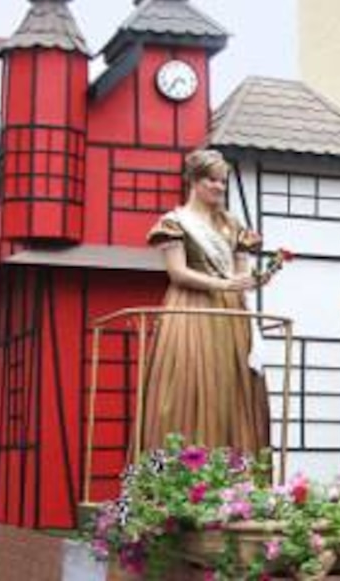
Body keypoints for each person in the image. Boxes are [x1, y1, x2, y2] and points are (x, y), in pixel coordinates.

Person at [141, 148, 270, 454]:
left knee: (233, 389)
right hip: (189, 310)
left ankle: (235, 481)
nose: (219, 187)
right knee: (186, 385)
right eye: (212, 180)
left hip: (231, 315)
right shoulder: (175, 222)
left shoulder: (233, 225)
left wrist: (254, 278)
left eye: (223, 181)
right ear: (194, 181)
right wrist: (225, 284)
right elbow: (178, 273)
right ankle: (176, 472)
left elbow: (241, 272)